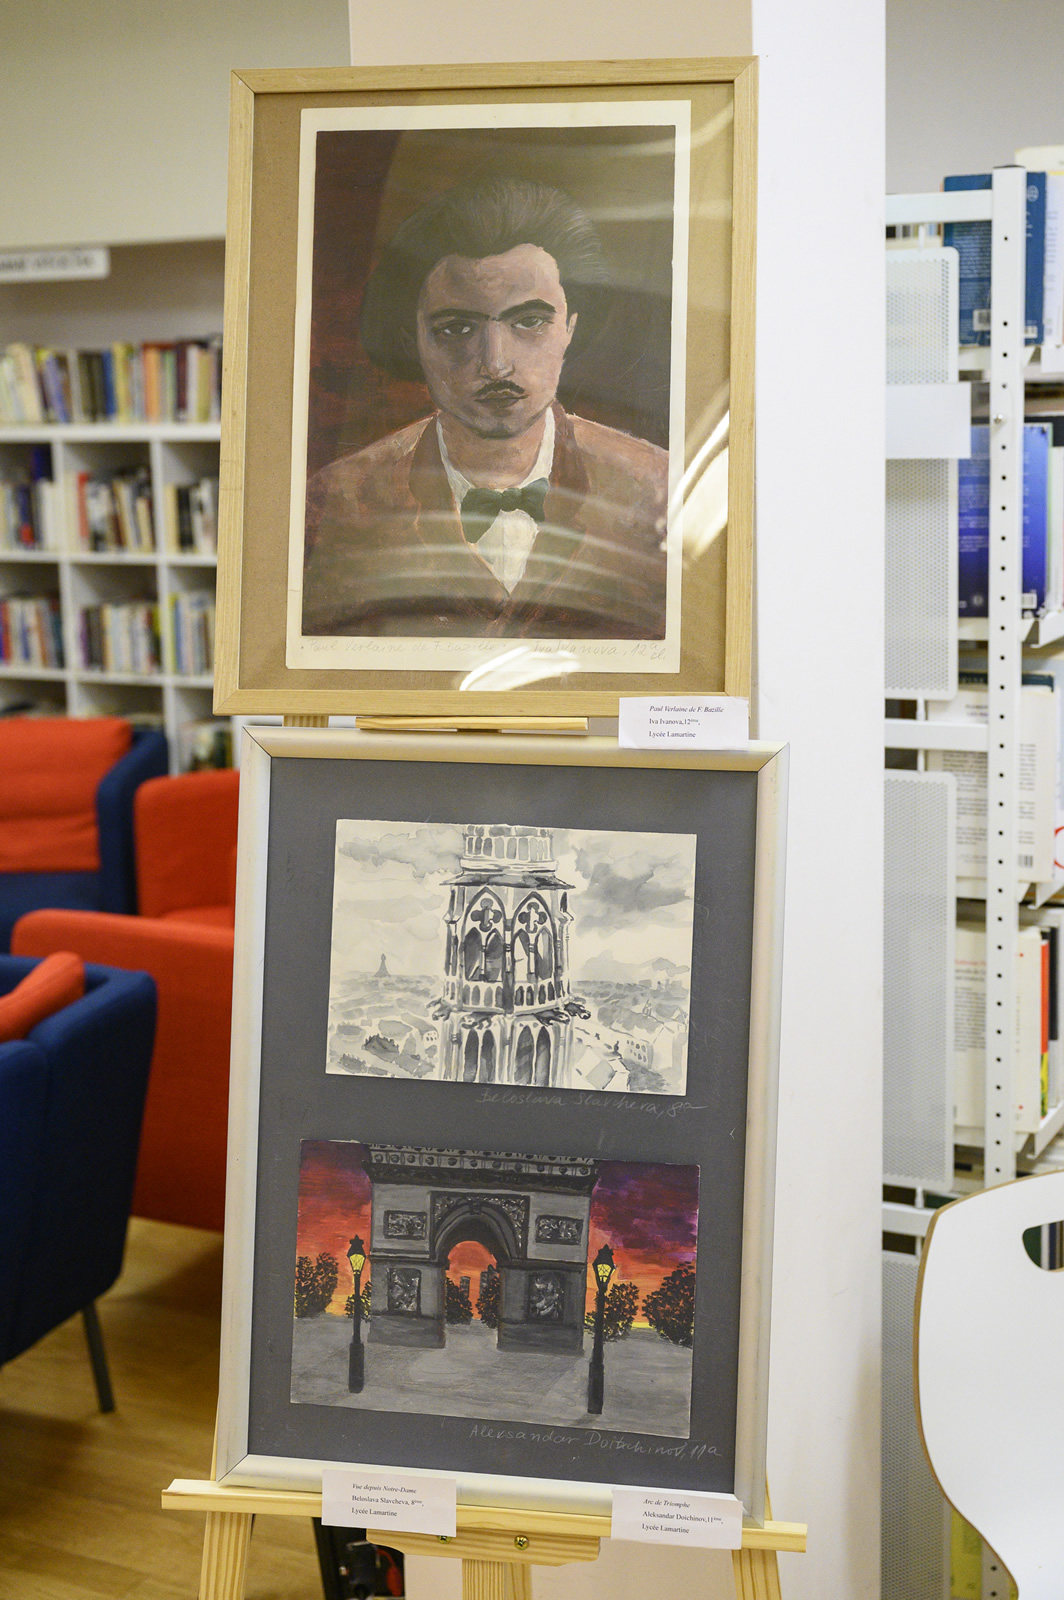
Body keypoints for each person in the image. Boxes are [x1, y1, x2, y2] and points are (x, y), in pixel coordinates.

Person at [301, 175, 669, 641]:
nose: (495, 363)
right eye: (456, 328)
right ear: (412, 340)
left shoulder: (658, 489)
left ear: (571, 328)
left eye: (530, 321)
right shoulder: (339, 503)